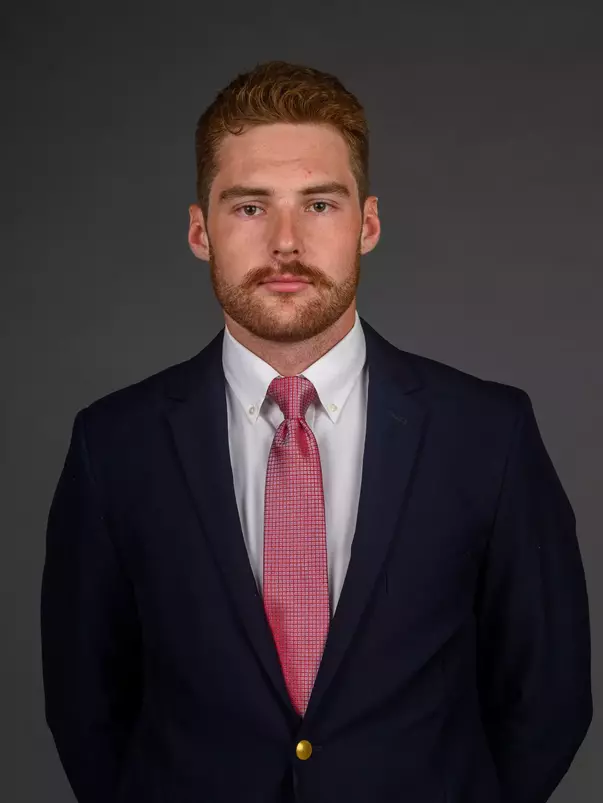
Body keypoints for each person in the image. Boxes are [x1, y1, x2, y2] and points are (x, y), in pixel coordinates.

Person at [40, 60, 592, 803]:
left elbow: (550, 693)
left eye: (320, 205)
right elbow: (84, 704)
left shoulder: (487, 434)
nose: (287, 242)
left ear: (366, 223)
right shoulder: (112, 445)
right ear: (200, 230)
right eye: (249, 207)